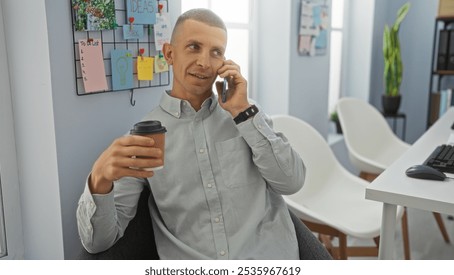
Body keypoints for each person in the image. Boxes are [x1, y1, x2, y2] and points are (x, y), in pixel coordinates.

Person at [77, 8, 326, 260]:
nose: (205, 62)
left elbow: (291, 182)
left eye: (215, 52)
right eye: (194, 47)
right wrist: (99, 179)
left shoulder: (248, 117)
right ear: (169, 54)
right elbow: (98, 242)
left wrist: (242, 111)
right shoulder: (144, 139)